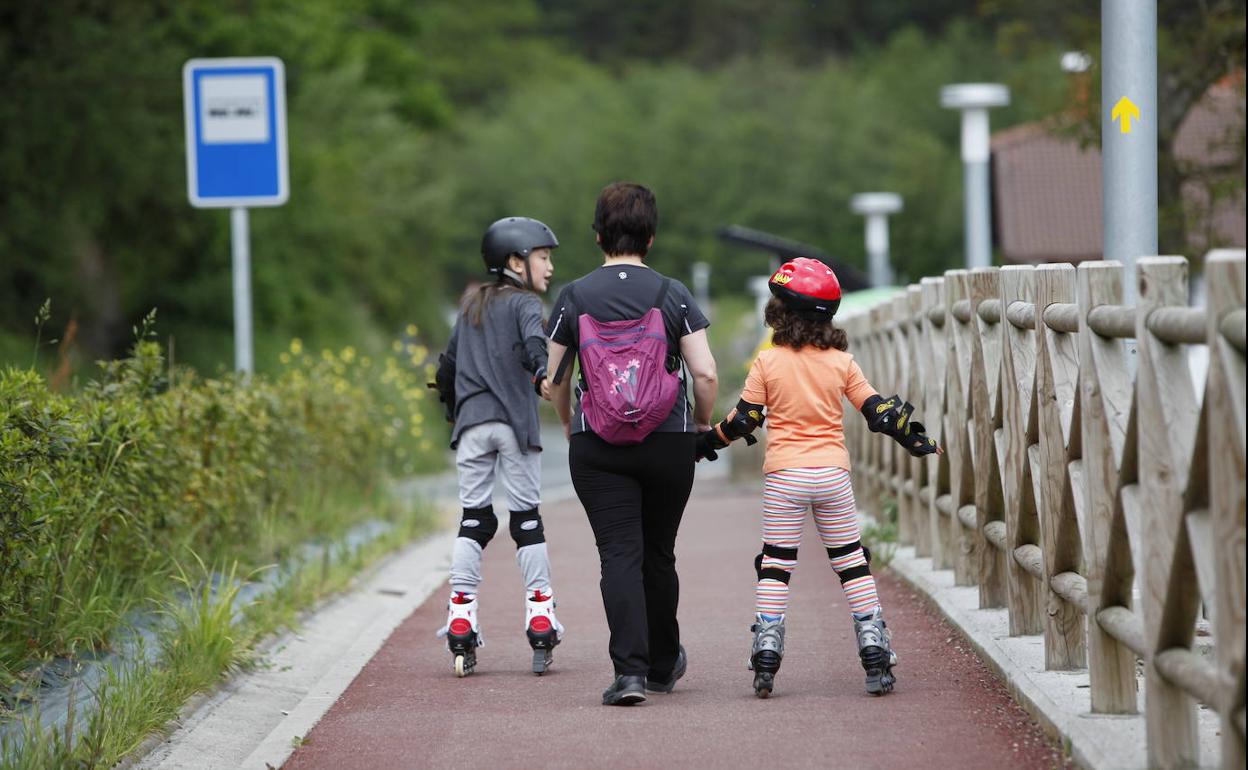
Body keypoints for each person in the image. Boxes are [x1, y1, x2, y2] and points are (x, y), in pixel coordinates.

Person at [696, 256, 940, 698]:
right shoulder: (841, 362)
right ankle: (873, 648)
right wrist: (919, 441)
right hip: (831, 474)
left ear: (780, 312)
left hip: (785, 477)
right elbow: (879, 412)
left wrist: (707, 442)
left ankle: (767, 650)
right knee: (850, 561)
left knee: (776, 564)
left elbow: (744, 421)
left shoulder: (767, 364)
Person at [545, 182, 718, 706]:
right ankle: (665, 665)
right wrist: (702, 425)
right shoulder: (673, 293)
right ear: (652, 236)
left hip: (598, 446)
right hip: (668, 441)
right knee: (659, 554)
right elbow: (705, 373)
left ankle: (630, 675)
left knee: (618, 553)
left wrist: (570, 421)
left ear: (599, 235)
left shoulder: (574, 296)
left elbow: (553, 379)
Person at [430, 216, 564, 677]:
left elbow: (446, 367)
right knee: (526, 520)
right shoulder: (526, 304)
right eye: (543, 257)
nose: (549, 268)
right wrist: (542, 373)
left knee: (474, 517)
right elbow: (533, 345)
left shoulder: (470, 305)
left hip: (471, 427)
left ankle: (461, 617)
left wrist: (454, 410)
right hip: (512, 425)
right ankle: (542, 615)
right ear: (514, 261)